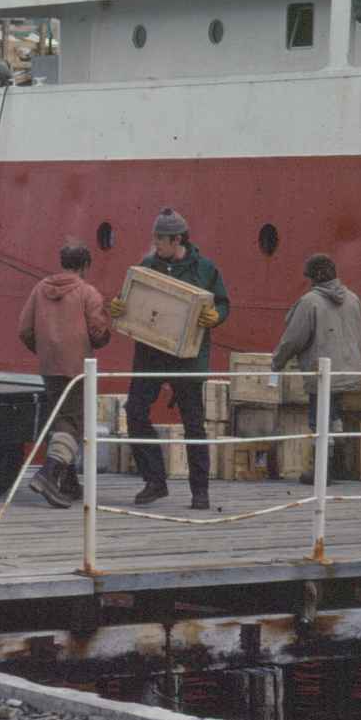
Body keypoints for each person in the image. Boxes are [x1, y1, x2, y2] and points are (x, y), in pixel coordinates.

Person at [108, 208, 229, 509]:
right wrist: (120, 308)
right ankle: (154, 482)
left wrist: (217, 316)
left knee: (194, 424)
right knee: (135, 411)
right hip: (150, 354)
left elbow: (223, 303)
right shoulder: (147, 266)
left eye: (160, 239)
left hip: (187, 358)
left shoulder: (205, 269)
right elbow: (132, 300)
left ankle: (200, 492)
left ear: (177, 239)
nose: (155, 244)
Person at [19, 239, 111, 508]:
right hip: (77, 367)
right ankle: (48, 475)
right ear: (85, 265)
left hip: (50, 366)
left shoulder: (39, 289)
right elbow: (98, 331)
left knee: (59, 417)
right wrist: (104, 335)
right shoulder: (87, 292)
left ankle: (69, 483)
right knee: (72, 422)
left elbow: (24, 330)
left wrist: (44, 351)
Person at [270, 254, 361, 485]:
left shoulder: (310, 302)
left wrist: (277, 363)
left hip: (323, 373)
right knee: (334, 415)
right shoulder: (353, 299)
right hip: (349, 372)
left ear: (314, 277)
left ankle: (321, 472)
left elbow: (293, 340)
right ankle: (337, 467)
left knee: (319, 420)